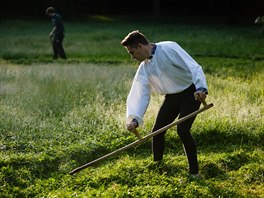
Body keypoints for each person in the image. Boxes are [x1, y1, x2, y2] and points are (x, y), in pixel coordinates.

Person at [121, 30, 208, 176]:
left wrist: (201, 88)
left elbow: (194, 67)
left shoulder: (169, 48)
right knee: (157, 132)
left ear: (140, 46)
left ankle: (194, 173)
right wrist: (134, 119)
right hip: (172, 97)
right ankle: (158, 168)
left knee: (182, 130)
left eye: (132, 52)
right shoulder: (144, 67)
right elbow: (140, 93)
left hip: (191, 93)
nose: (132, 57)